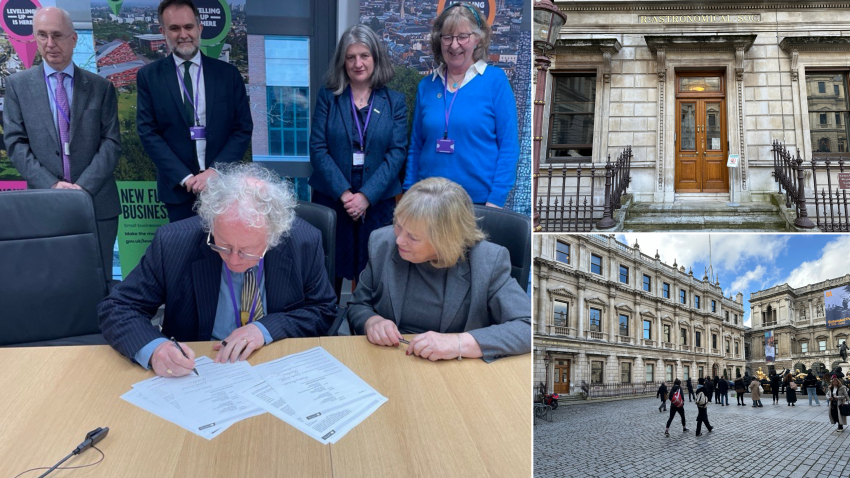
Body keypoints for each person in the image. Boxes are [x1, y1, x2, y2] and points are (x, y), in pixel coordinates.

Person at [98, 164, 337, 377]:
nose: (233, 260)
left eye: (248, 251)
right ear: (211, 223)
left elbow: (323, 310)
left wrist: (265, 329)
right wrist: (154, 348)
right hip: (198, 368)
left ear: (273, 237)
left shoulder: (303, 242)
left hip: (274, 365)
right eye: (222, 245)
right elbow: (118, 307)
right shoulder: (172, 243)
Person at [347, 177, 531, 362]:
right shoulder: (382, 243)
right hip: (391, 358)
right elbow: (358, 305)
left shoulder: (488, 261)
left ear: (445, 240)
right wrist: (372, 322)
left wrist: (458, 343)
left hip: (457, 368)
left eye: (413, 237)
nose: (399, 240)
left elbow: (528, 326)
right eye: (398, 226)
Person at [4, 7, 120, 280]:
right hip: (44, 202)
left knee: (99, 280)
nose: (49, 44)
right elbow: (15, 143)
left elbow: (111, 143)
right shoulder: (18, 86)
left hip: (96, 203)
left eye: (57, 35)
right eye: (42, 35)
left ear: (73, 39)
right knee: (53, 280)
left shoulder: (100, 87)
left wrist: (81, 189)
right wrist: (53, 187)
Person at [309, 24, 407, 300]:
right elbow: (317, 148)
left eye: (364, 55)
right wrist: (345, 193)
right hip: (332, 197)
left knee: (373, 271)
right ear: (343, 61)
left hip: (376, 202)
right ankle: (325, 326)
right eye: (350, 57)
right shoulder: (328, 97)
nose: (357, 63)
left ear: (375, 58)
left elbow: (397, 153)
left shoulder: (394, 102)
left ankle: (366, 329)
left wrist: (365, 196)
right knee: (327, 272)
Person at [137, 0, 252, 222]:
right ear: (163, 32)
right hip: (178, 190)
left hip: (223, 189)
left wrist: (216, 172)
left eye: (188, 27)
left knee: (224, 254)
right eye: (174, 28)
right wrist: (185, 177)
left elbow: (242, 129)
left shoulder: (228, 75)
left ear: (199, 28)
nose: (183, 34)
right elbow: (148, 132)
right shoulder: (149, 77)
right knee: (182, 254)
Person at [403, 3, 518, 208]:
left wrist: (496, 200)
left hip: (476, 204)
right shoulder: (426, 86)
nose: (454, 45)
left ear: (478, 39)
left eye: (462, 37)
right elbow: (416, 146)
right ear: (439, 41)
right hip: (427, 202)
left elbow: (509, 146)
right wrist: (409, 194)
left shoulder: (496, 81)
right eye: (447, 37)